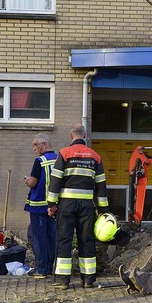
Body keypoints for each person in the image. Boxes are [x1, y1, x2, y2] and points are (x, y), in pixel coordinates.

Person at [47, 124, 109, 289]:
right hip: (87, 206)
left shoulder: (65, 153)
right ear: (85, 135)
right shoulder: (95, 156)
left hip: (66, 205)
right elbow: (101, 186)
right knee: (86, 240)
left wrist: (51, 204)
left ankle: (62, 280)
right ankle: (88, 279)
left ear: (71, 135)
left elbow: (55, 180)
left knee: (64, 240)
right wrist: (103, 210)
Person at [24, 133, 58, 279]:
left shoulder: (39, 161)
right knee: (52, 236)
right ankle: (50, 266)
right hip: (54, 205)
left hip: (38, 205)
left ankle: (41, 269)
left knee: (39, 237)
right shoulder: (59, 159)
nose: (34, 149)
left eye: (35, 145)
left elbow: (33, 182)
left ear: (45, 144)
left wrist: (27, 180)